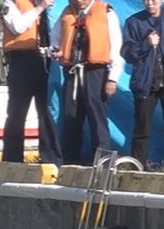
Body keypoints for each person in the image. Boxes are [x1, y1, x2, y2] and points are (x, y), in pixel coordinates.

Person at [51, 0, 124, 165]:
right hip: (72, 72)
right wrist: (55, 50)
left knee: (97, 118)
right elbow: (55, 38)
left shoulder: (107, 13)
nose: (80, 2)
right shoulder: (67, 12)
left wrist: (112, 78)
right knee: (71, 117)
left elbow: (116, 47)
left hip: (96, 72)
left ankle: (103, 162)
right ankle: (70, 162)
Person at [121, 0, 164, 172]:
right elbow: (127, 53)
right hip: (146, 82)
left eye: (154, 0)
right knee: (141, 128)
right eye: (146, 0)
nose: (150, 3)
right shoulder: (134, 22)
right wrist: (146, 44)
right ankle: (138, 167)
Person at [1, 0, 63, 165]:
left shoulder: (54, 8)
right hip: (21, 61)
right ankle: (11, 159)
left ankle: (50, 158)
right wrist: (40, 8)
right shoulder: (12, 3)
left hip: (46, 61)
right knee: (17, 112)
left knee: (47, 112)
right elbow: (18, 26)